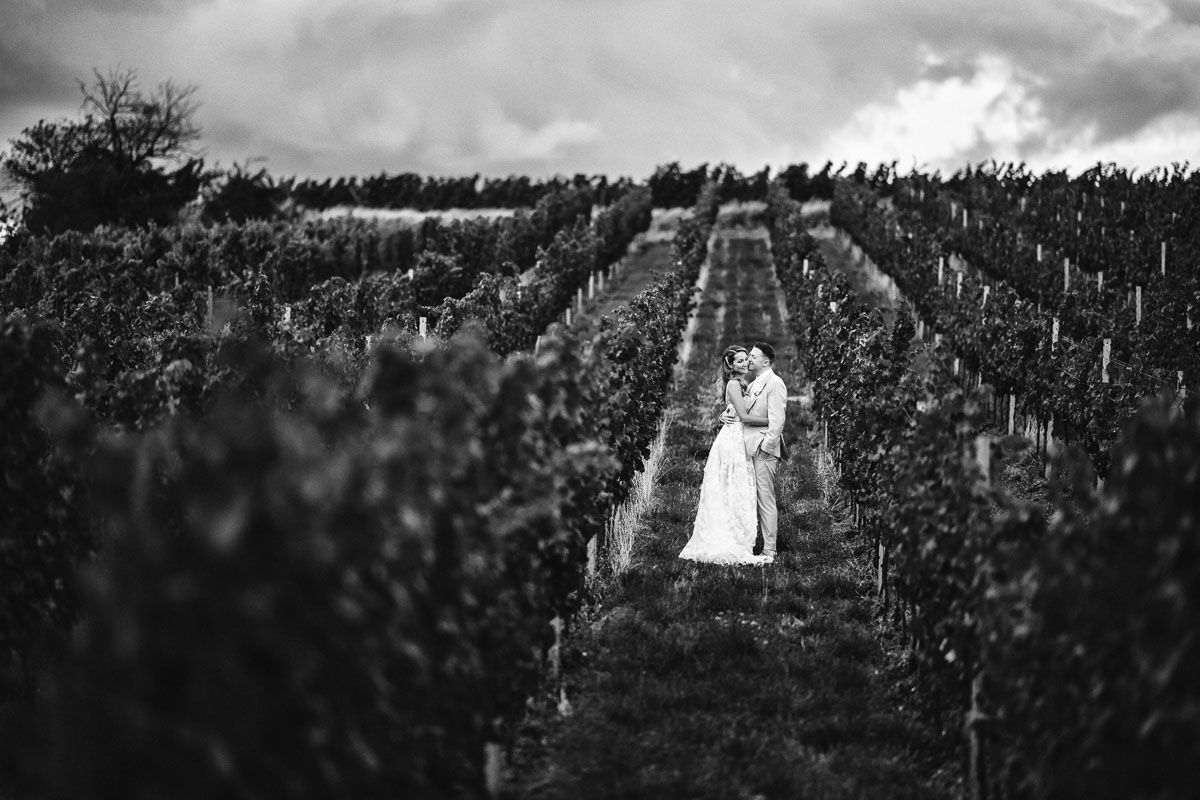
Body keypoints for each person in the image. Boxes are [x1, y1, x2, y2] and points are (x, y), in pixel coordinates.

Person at [678, 346, 773, 564]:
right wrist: (773, 420)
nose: (744, 363)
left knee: (735, 486)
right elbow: (745, 417)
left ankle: (738, 533)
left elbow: (736, 411)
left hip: (738, 436)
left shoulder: (741, 383)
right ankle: (730, 535)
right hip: (733, 440)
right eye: (739, 360)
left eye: (745, 359)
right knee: (732, 485)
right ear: (730, 365)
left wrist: (726, 414)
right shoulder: (734, 384)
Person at [722, 342, 788, 562]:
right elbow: (739, 409)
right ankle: (749, 540)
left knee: (765, 498)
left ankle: (770, 550)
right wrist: (724, 416)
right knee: (751, 496)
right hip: (748, 447)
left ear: (765, 362)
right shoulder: (752, 383)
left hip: (762, 450)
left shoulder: (775, 383)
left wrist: (765, 448)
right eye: (747, 357)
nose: (749, 360)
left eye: (753, 356)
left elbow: (777, 423)